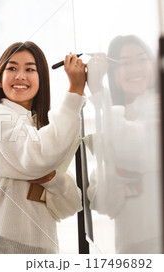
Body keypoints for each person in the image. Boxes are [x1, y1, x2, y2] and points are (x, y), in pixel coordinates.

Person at [0, 41, 85, 254]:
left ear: (41, 79)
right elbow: (37, 160)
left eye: (30, 69)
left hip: (43, 248)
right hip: (0, 245)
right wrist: (75, 91)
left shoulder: (40, 127)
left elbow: (71, 204)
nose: (20, 76)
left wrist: (51, 178)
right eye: (11, 68)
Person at [86, 35, 161, 253]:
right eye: (125, 63)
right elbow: (105, 203)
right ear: (113, 72)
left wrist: (98, 91)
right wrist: (118, 177)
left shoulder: (157, 104)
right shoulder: (117, 115)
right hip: (129, 247)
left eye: (141, 59)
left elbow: (135, 149)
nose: (136, 68)